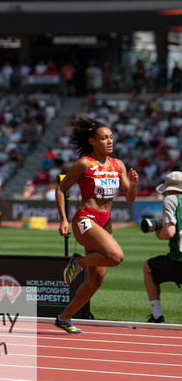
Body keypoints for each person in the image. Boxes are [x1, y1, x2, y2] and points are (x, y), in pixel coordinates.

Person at [54, 117, 138, 334]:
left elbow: (130, 198)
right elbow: (61, 189)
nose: (110, 141)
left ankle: (64, 318)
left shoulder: (118, 164)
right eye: (104, 138)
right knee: (116, 257)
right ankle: (79, 262)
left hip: (104, 223)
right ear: (92, 141)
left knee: (96, 281)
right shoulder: (84, 164)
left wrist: (134, 184)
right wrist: (63, 218)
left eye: (111, 137)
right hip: (85, 219)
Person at [143, 171, 182, 323]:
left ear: (170, 190)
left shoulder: (171, 199)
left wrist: (159, 233)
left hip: (178, 260)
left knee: (147, 266)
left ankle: (157, 316)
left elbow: (169, 233)